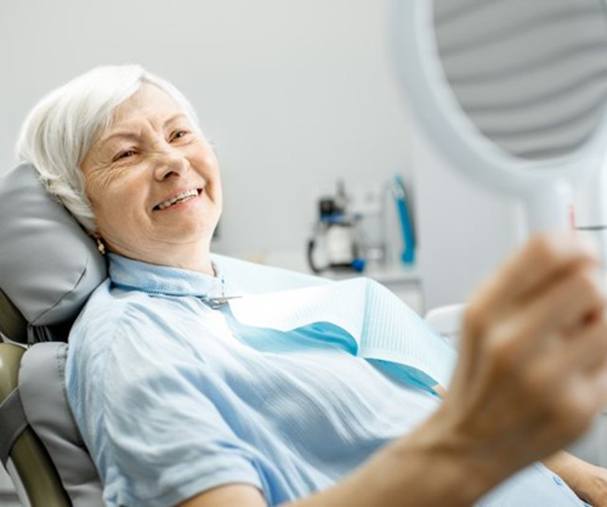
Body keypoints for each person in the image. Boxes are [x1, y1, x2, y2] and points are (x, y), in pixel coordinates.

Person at [15, 65, 607, 507]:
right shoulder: (130, 342)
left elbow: (430, 397)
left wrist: (585, 478)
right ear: (80, 207)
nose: (172, 162)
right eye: (126, 154)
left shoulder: (250, 288)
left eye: (180, 133)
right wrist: (473, 442)